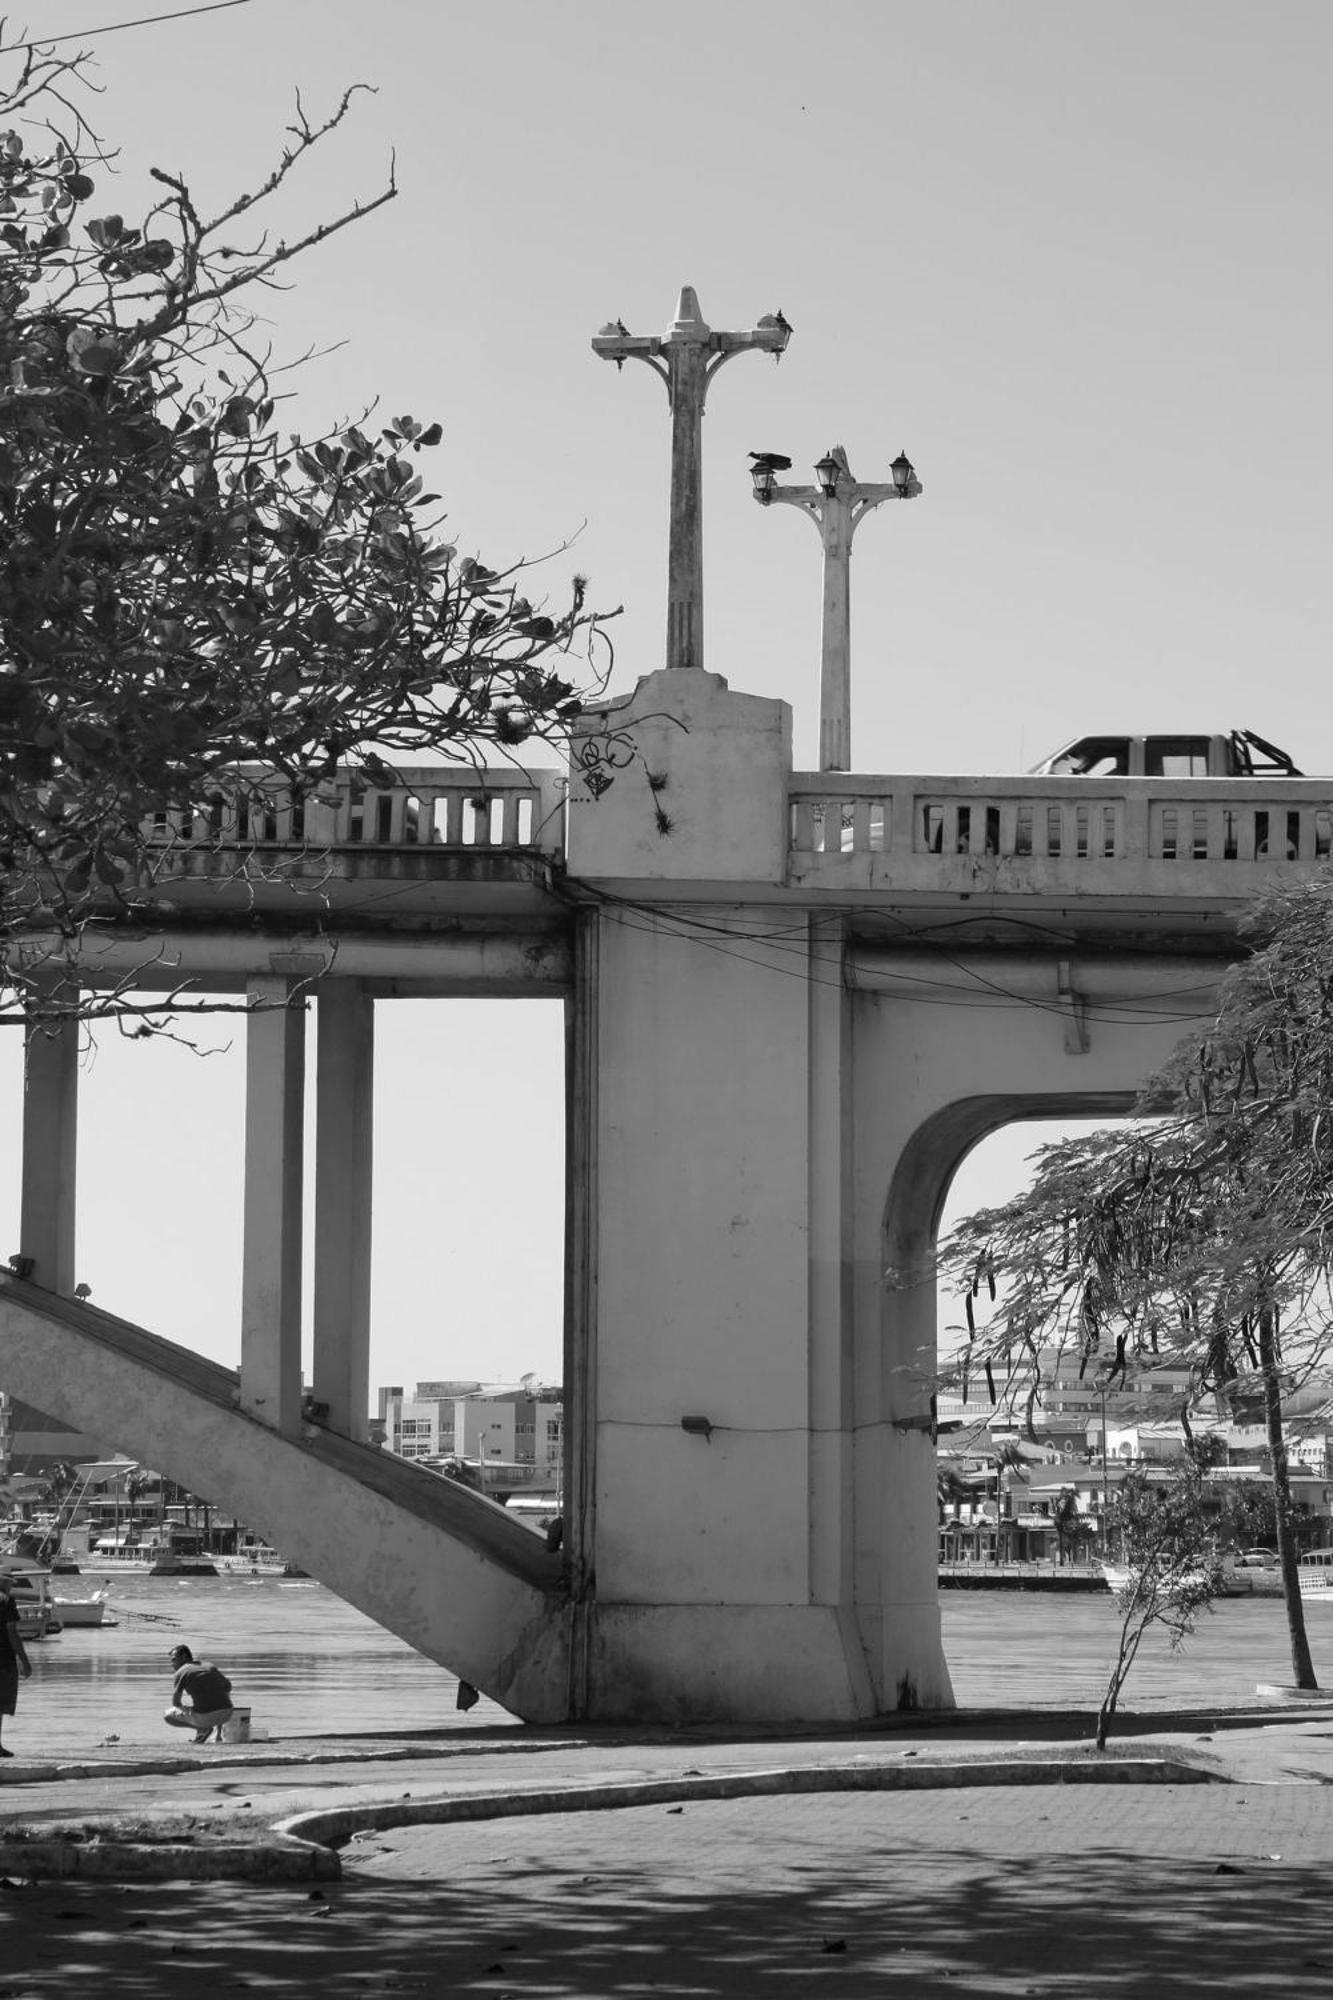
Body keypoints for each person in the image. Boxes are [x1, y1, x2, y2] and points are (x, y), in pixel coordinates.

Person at [164, 1642, 235, 1744]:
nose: (172, 1663)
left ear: (184, 1657)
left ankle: (202, 1729)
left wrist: (189, 1710)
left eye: (174, 1659)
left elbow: (176, 1703)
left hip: (206, 1717)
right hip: (227, 1714)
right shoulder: (209, 1666)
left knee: (168, 1715)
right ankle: (218, 1735)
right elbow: (228, 1687)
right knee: (221, 1695)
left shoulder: (181, 1672)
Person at [0, 1576, 33, 1758]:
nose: (10, 1588)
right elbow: (12, 1632)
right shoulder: (6, 1601)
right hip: (3, 1659)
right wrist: (24, 1660)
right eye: (9, 1584)